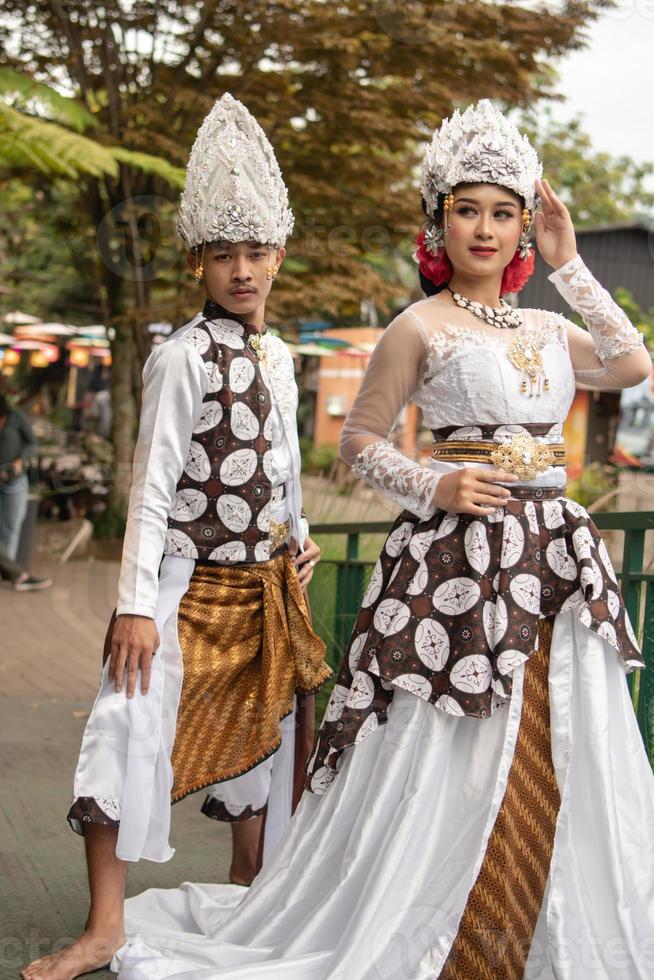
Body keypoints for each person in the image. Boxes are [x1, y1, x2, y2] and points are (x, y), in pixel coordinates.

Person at [34, 100, 654, 980]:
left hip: (549, 560)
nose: (484, 227)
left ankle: (522, 927)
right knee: (444, 748)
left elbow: (632, 364)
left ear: (524, 224)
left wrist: (570, 262)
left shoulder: (549, 328)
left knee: (551, 743)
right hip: (455, 568)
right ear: (439, 220)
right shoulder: (418, 326)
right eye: (466, 208)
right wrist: (437, 481)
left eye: (503, 211)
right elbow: (359, 444)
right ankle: (431, 923)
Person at [21, 93, 331, 980]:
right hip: (186, 587)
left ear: (278, 256)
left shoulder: (279, 357)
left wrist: (300, 536)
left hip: (267, 583)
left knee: (265, 744)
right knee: (125, 728)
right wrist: (132, 608)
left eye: (256, 253)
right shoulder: (181, 355)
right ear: (198, 261)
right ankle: (104, 927)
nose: (242, 270)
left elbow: (284, 464)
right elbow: (151, 486)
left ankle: (247, 891)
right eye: (223, 255)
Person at [0, 392, 36, 560]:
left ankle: (8, 570)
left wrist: (19, 460)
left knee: (11, 527)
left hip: (14, 480)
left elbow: (32, 443)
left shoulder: (15, 417)